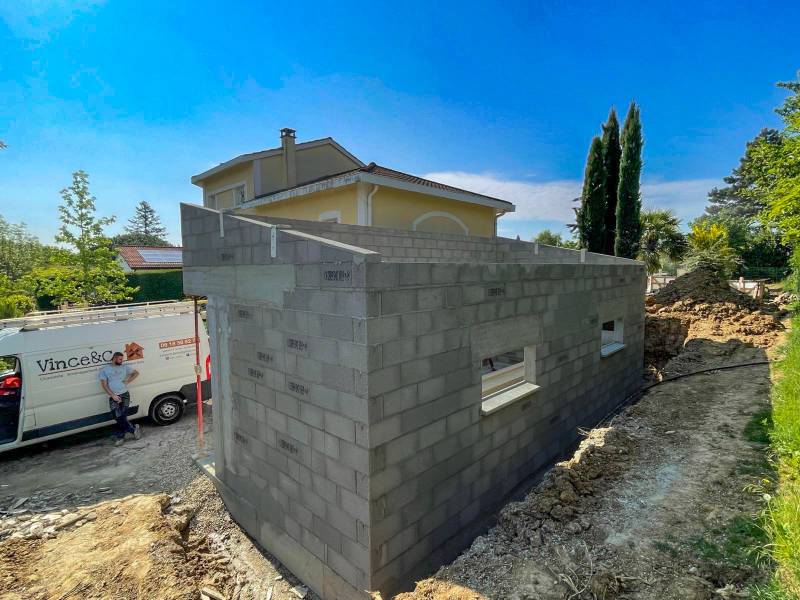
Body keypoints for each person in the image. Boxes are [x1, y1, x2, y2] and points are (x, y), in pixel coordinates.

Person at [99, 351, 141, 446]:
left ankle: (120, 437)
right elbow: (104, 385)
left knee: (123, 416)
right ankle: (133, 429)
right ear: (114, 358)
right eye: (120, 359)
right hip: (114, 396)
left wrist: (127, 381)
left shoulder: (124, 367)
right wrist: (113, 395)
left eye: (122, 359)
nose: (122, 361)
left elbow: (136, 373)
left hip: (125, 394)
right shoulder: (105, 370)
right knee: (117, 417)